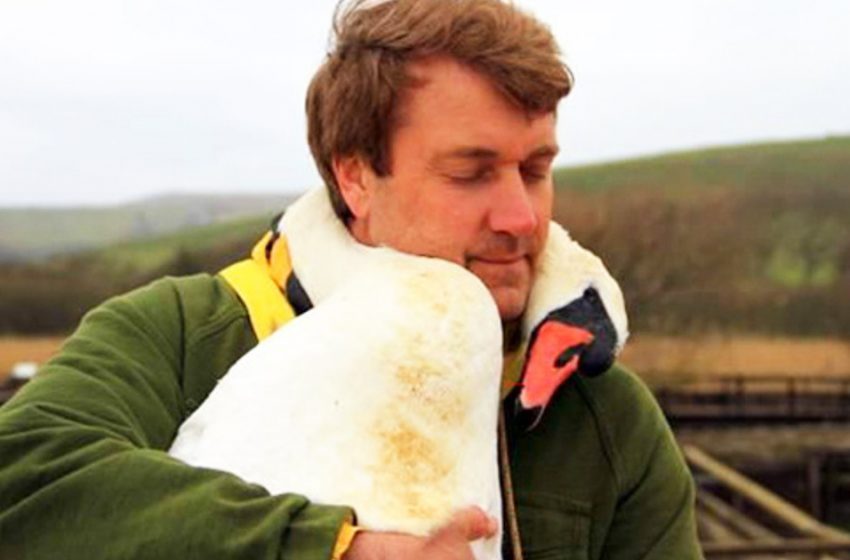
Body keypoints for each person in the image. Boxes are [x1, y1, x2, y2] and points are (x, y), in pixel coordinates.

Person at [0, 0, 702, 558]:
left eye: (536, 169)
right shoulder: (183, 334)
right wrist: (336, 550)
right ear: (356, 175)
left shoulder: (605, 418)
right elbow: (21, 480)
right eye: (471, 172)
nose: (521, 216)